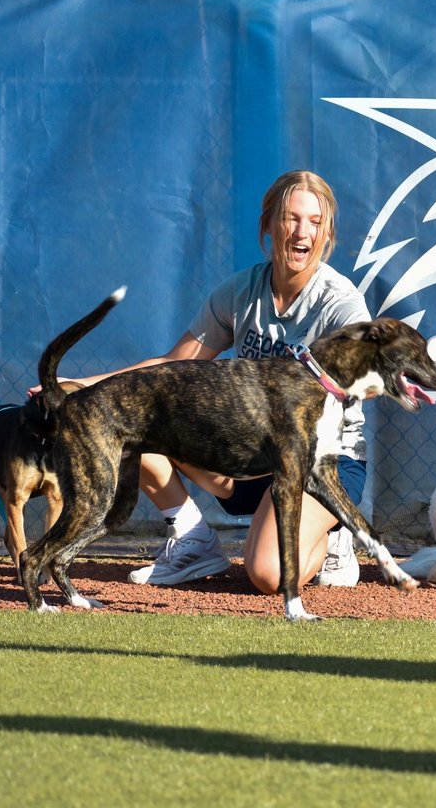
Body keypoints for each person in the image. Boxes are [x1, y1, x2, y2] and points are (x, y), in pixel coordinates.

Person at [58, 170, 370, 593]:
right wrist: (83, 388)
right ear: (269, 224)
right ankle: (192, 539)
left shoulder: (340, 303)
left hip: (323, 461)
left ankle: (332, 534)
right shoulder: (241, 292)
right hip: (251, 455)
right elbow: (172, 364)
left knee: (268, 576)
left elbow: (361, 384)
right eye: (291, 218)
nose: (303, 232)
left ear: (327, 233)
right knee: (130, 415)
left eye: (315, 222)